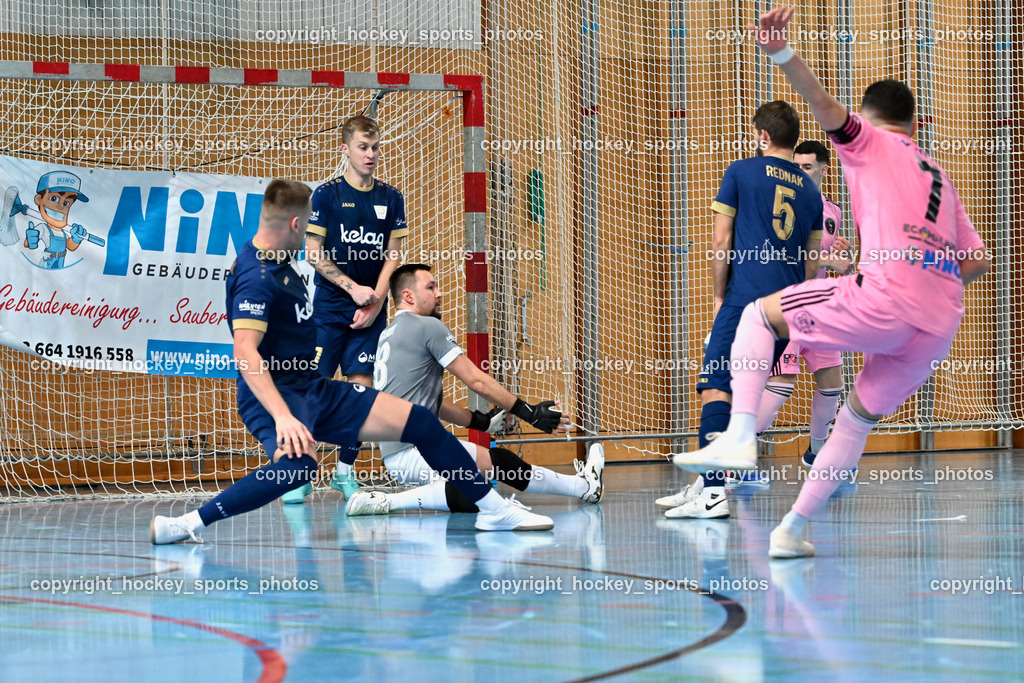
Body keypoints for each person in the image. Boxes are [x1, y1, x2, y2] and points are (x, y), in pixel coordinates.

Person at [674, 6, 990, 558]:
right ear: (916, 125)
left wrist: (778, 51)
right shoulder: (939, 173)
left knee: (757, 315)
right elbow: (977, 262)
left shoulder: (868, 141)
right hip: (938, 326)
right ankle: (792, 531)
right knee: (855, 421)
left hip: (883, 299)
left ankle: (742, 436)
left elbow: (822, 105)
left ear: (869, 118)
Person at [149, 180, 557, 544]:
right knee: (296, 469)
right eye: (308, 226)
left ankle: (494, 511)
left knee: (419, 421)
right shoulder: (257, 277)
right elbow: (244, 354)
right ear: (294, 225)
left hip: (314, 388)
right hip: (278, 398)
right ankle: (188, 524)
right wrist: (283, 417)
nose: (312, 235)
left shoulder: (280, 264)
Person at [656, 100, 824, 520]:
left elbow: (720, 242)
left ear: (763, 136)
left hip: (746, 301)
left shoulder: (741, 171)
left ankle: (712, 493)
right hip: (785, 310)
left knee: (716, 387)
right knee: (742, 395)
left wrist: (719, 297)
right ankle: (704, 486)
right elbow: (812, 261)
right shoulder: (811, 191)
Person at [342, 263, 604, 520]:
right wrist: (529, 412)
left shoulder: (389, 334)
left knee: (497, 463)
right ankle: (386, 501)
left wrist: (481, 421)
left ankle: (584, 487)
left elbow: (428, 402)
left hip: (398, 454)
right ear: (408, 296)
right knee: (472, 488)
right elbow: (476, 380)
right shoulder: (426, 327)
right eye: (431, 287)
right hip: (414, 451)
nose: (439, 293)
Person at [301, 115, 407, 501]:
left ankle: (344, 473)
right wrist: (352, 288)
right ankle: (298, 473)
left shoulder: (391, 197)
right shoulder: (326, 195)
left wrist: (376, 302)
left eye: (375, 147)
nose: (371, 154)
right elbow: (313, 252)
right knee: (311, 391)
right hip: (330, 313)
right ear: (345, 149)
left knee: (360, 395)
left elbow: (393, 256)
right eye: (363, 147)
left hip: (370, 317)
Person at [756, 140, 853, 467]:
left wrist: (838, 256)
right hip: (789, 304)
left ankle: (816, 454)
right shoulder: (786, 207)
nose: (799, 172)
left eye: (807, 166)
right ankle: (731, 460)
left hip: (819, 308)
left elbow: (821, 259)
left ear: (824, 169)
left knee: (832, 382)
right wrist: (830, 260)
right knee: (781, 383)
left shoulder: (832, 211)